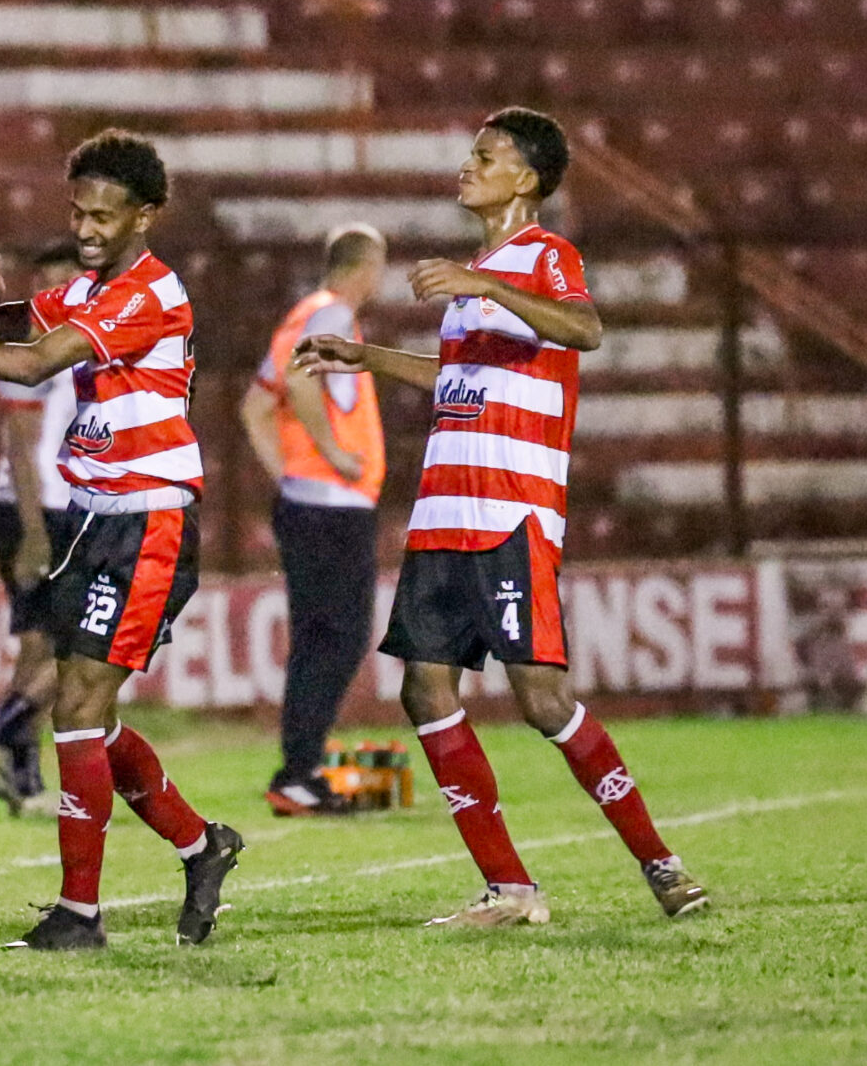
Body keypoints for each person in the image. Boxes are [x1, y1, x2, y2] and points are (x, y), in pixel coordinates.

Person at [296, 106, 708, 925]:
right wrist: (364, 356)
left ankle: (661, 862)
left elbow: (585, 328)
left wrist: (484, 282)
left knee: (542, 699)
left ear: (526, 177)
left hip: (509, 513)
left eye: (486, 156)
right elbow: (457, 378)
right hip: (443, 512)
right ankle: (510, 887)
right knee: (423, 689)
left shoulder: (544, 257)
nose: (467, 166)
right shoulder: (481, 278)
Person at [0, 129, 242, 953]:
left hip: (149, 519)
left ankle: (80, 911)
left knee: (75, 707)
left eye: (106, 214)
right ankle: (199, 843)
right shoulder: (93, 290)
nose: (90, 227)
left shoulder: (146, 293)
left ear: (147, 214)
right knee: (86, 716)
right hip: (99, 519)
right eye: (80, 211)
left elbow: (35, 363)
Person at [239, 224, 389, 817]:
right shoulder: (330, 317)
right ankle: (299, 772)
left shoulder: (300, 314)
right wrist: (329, 455)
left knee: (317, 640)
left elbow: (255, 406)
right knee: (341, 636)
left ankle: (301, 770)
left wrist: (289, 475)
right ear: (367, 268)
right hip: (332, 506)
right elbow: (301, 380)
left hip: (310, 501)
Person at [0, 243, 81, 816]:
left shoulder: (70, 344)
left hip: (39, 506)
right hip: (33, 507)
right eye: (50, 282)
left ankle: (24, 777)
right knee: (70, 648)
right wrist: (35, 531)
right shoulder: (38, 351)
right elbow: (19, 441)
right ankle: (1, 731)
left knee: (39, 645)